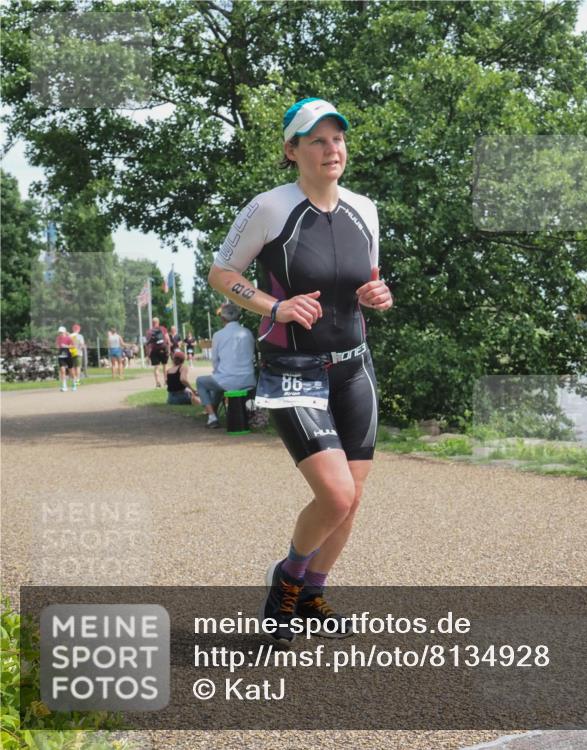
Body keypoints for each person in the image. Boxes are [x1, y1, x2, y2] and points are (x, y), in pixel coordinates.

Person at [208, 97, 392, 644]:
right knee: (334, 495)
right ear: (292, 151)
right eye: (316, 140)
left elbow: (369, 281)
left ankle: (312, 593)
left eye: (337, 138)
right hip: (293, 368)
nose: (331, 148)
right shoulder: (269, 207)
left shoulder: (366, 209)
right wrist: (274, 306)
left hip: (354, 368)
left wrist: (379, 295)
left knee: (351, 500)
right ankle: (286, 582)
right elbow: (221, 272)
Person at [194, 302, 256, 428]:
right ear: (239, 317)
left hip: (228, 380)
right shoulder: (248, 333)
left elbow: (215, 361)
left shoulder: (218, 335)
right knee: (219, 381)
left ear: (222, 318)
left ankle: (212, 417)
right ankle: (215, 413)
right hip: (249, 379)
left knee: (201, 381)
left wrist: (217, 372)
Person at [145, 317, 171, 387]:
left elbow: (147, 344)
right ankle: (166, 381)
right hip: (163, 348)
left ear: (152, 323)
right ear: (158, 322)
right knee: (165, 365)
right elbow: (168, 340)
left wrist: (148, 355)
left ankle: (157, 383)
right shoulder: (163, 329)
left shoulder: (149, 331)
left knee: (156, 367)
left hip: (154, 350)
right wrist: (169, 349)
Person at [55, 326, 73, 392]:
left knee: (71, 371)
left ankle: (74, 383)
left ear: (65, 332)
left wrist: (66, 346)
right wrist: (57, 348)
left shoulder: (68, 338)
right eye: (59, 332)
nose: (60, 334)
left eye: (62, 332)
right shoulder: (58, 338)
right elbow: (56, 345)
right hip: (61, 355)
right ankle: (64, 386)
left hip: (68, 355)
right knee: (62, 371)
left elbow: (73, 345)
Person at [69, 323, 86, 389]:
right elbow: (82, 344)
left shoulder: (70, 336)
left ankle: (74, 380)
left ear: (73, 329)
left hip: (71, 353)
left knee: (72, 367)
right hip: (78, 353)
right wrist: (83, 346)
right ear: (78, 330)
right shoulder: (80, 336)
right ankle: (77, 381)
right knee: (78, 367)